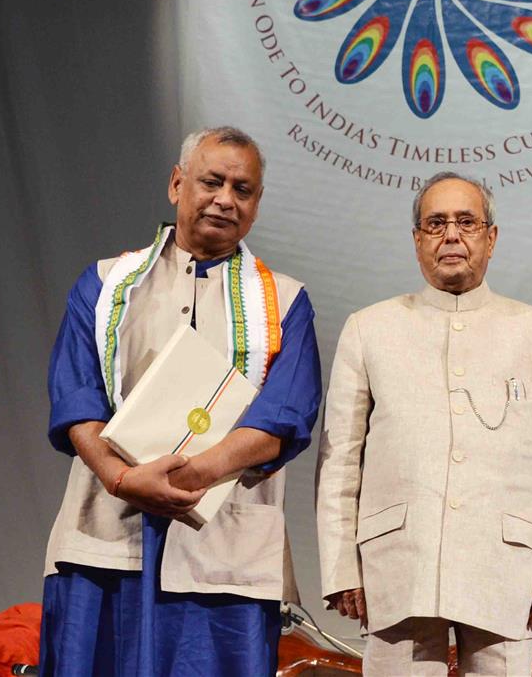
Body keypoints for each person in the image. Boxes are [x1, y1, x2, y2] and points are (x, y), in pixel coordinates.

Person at [39, 126, 323, 675]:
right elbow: (78, 399)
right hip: (104, 540)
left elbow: (283, 416)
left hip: (225, 553)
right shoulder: (104, 286)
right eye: (211, 181)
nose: (225, 198)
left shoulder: (284, 301)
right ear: (177, 184)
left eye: (243, 189)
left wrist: (191, 475)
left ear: (257, 205)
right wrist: (124, 480)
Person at [317, 171, 532, 676]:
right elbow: (340, 462)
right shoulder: (369, 329)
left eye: (467, 221)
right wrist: (339, 568)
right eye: (435, 223)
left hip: (506, 567)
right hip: (396, 564)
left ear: (491, 237)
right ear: (417, 240)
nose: (452, 235)